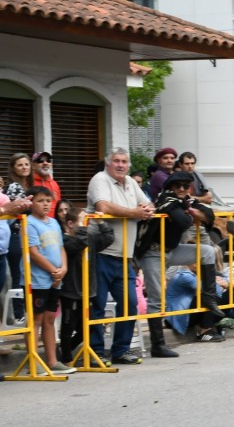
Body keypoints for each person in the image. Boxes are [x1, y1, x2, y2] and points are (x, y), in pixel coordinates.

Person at [135, 171, 231, 352]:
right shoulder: (166, 199)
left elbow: (209, 215)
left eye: (185, 186)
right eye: (177, 185)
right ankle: (158, 344)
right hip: (153, 252)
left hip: (172, 250)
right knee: (156, 298)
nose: (181, 189)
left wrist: (194, 211)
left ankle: (209, 300)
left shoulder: (185, 201)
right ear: (169, 187)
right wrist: (192, 213)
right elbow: (183, 222)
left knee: (208, 252)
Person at [86, 147, 155, 365]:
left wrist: (147, 207)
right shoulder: (100, 179)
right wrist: (135, 212)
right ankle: (95, 352)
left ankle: (120, 350)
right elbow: (103, 206)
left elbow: (149, 202)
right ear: (108, 163)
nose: (121, 165)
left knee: (130, 303)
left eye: (124, 161)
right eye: (116, 160)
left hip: (125, 255)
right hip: (101, 253)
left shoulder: (131, 182)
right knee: (97, 305)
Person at [24, 186, 75, 375]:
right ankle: (34, 361)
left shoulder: (53, 222)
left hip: (55, 278)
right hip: (37, 280)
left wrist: (63, 268)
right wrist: (54, 270)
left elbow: (61, 248)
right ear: (32, 203)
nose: (45, 204)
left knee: (50, 318)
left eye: (48, 200)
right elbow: (33, 252)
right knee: (35, 319)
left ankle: (53, 361)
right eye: (40, 201)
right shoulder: (29, 223)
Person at [59, 207, 114, 364]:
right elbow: (77, 245)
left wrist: (101, 222)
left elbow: (108, 238)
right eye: (83, 221)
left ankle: (66, 349)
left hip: (87, 288)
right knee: (68, 325)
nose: (87, 225)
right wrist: (83, 228)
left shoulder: (87, 237)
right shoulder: (65, 240)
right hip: (70, 289)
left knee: (87, 327)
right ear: (70, 223)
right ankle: (67, 359)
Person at [4, 153, 34, 323]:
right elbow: (16, 210)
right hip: (15, 234)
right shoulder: (14, 187)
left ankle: (23, 311)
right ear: (13, 168)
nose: (24, 167)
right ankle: (19, 314)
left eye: (26, 164)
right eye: (19, 165)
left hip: (25, 234)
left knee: (23, 275)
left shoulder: (28, 185)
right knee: (18, 275)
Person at [29, 152, 63, 217]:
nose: (45, 163)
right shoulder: (29, 183)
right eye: (41, 161)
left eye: (48, 160)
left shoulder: (55, 184)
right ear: (33, 166)